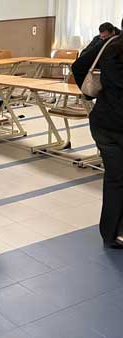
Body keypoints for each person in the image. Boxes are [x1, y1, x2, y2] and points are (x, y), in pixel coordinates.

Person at [72, 21, 123, 248]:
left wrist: (94, 93)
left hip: (103, 120)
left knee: (115, 178)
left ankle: (110, 233)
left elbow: (78, 66)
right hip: (117, 124)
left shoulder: (109, 44)